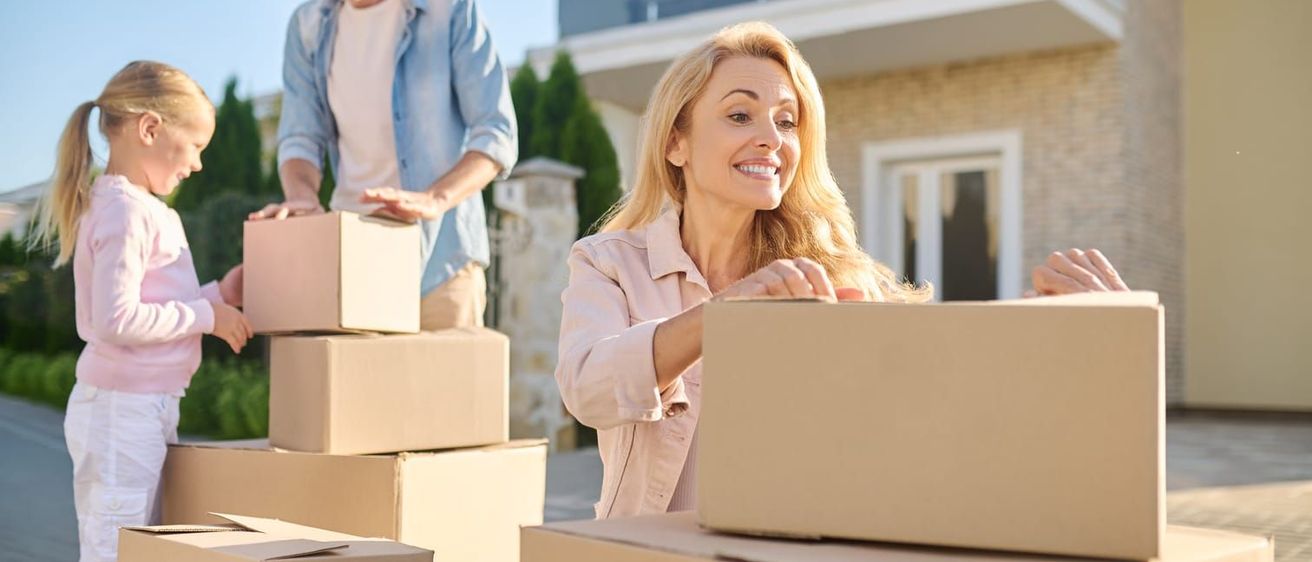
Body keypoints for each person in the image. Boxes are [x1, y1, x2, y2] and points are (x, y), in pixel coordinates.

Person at [554, 22, 1130, 520]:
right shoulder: (608, 263)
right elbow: (587, 387)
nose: (771, 138)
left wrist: (1077, 336)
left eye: (787, 121)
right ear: (675, 142)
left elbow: (935, 388)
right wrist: (722, 317)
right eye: (739, 114)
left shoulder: (829, 273)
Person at [29, 60, 252, 562]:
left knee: (137, 548)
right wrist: (207, 316)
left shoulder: (142, 208)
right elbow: (117, 320)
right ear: (149, 129)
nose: (197, 163)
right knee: (115, 549)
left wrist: (219, 294)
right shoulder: (125, 210)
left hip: (141, 408)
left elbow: (156, 304)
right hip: (119, 411)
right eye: (195, 146)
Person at [250, 0, 517, 330]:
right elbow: (300, 137)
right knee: (353, 381)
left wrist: (435, 198)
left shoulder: (449, 8)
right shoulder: (308, 24)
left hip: (443, 257)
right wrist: (301, 196)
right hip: (354, 258)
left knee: (445, 382)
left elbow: (496, 131)